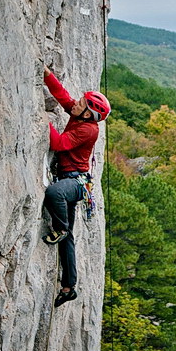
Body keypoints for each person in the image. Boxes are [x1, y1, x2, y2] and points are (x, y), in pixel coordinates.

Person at [42, 65, 110, 307]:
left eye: (82, 102)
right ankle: (69, 286)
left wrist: (42, 118)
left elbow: (59, 143)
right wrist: (47, 74)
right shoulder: (80, 114)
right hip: (71, 178)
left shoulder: (87, 129)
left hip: (75, 182)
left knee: (54, 193)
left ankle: (59, 228)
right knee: (68, 239)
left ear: (88, 113)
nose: (77, 103)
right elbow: (62, 96)